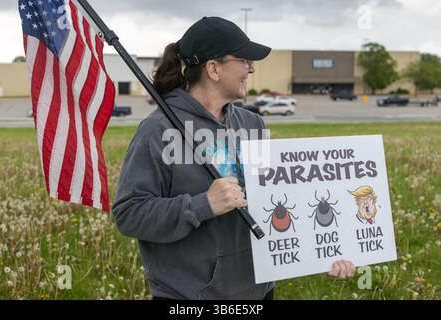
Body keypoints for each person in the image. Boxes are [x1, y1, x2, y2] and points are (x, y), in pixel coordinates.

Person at [112, 16, 355, 300]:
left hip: (259, 290)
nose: (251, 69)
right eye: (244, 60)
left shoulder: (253, 124)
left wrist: (319, 253)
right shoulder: (158, 129)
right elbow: (129, 214)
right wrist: (204, 204)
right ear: (213, 69)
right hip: (190, 296)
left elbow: (273, 201)